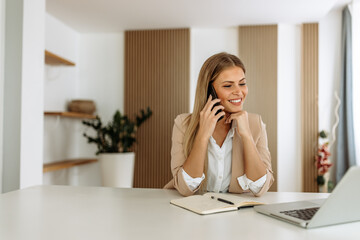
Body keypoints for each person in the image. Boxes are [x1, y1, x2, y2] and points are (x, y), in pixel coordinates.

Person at [164, 52, 273, 197]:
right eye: (228, 86)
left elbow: (261, 187)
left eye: (242, 83)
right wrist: (203, 135)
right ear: (210, 91)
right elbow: (186, 188)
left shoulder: (255, 124)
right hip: (193, 210)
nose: (239, 92)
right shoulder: (183, 124)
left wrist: (246, 135)